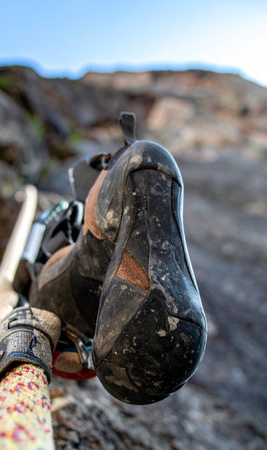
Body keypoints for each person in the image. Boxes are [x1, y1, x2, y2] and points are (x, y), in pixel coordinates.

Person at [26, 112, 207, 405]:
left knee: (62, 277)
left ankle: (87, 258)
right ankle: (92, 254)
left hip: (63, 325)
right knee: (146, 159)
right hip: (79, 344)